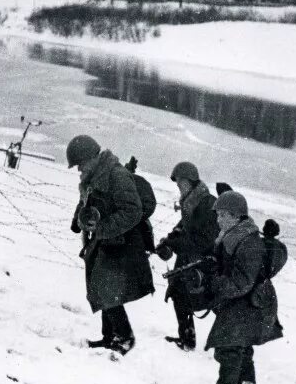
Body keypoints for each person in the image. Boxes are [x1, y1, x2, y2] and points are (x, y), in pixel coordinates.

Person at [67, 135, 154, 355]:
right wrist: (79, 221)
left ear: (91, 159)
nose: (79, 169)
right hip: (104, 240)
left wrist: (103, 228)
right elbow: (85, 204)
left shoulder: (117, 175)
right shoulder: (92, 179)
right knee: (101, 286)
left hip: (122, 242)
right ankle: (109, 336)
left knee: (106, 287)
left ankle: (124, 337)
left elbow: (132, 211)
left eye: (80, 164)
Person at [201, 190, 283, 384]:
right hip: (246, 303)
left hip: (252, 304)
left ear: (236, 217)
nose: (218, 220)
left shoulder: (247, 243)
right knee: (240, 349)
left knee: (230, 348)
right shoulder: (233, 237)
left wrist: (213, 282)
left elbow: (241, 283)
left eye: (222, 216)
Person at [155, 161, 219, 351]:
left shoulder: (206, 203)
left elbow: (205, 239)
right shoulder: (191, 202)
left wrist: (176, 244)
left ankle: (231, 346)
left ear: (191, 182)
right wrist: (170, 238)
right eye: (178, 184)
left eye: (181, 183)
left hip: (205, 262)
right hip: (190, 259)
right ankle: (187, 338)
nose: (179, 187)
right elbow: (184, 226)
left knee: (215, 302)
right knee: (179, 293)